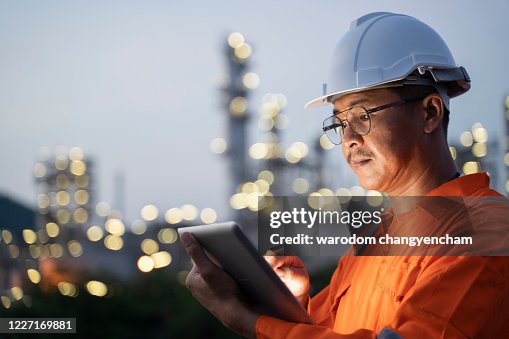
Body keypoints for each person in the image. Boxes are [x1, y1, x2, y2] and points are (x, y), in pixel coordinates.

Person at [180, 12, 509, 338]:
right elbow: (329, 330)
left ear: (430, 112)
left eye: (363, 115)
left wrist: (255, 324)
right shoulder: (371, 244)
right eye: (339, 122)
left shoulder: (486, 231)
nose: (349, 138)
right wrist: (285, 305)